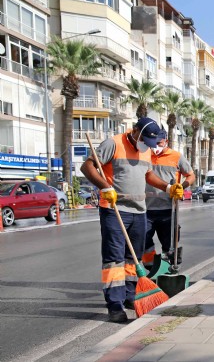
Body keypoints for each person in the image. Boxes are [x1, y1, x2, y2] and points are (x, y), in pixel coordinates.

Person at [80, 118, 184, 323]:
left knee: (132, 258)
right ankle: (115, 305)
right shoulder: (113, 143)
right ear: (135, 131)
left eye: (151, 142)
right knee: (114, 260)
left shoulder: (146, 149)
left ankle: (129, 296)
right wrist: (105, 187)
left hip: (139, 211)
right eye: (144, 139)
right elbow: (87, 167)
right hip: (115, 209)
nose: (147, 144)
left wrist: (167, 188)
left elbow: (148, 175)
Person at [142, 129, 195, 269]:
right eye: (153, 143)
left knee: (169, 243)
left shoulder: (176, 156)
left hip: (168, 209)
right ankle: (151, 267)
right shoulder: (145, 155)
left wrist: (181, 186)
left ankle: (168, 268)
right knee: (143, 239)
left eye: (159, 143)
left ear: (166, 141)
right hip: (146, 208)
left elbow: (191, 175)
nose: (155, 146)